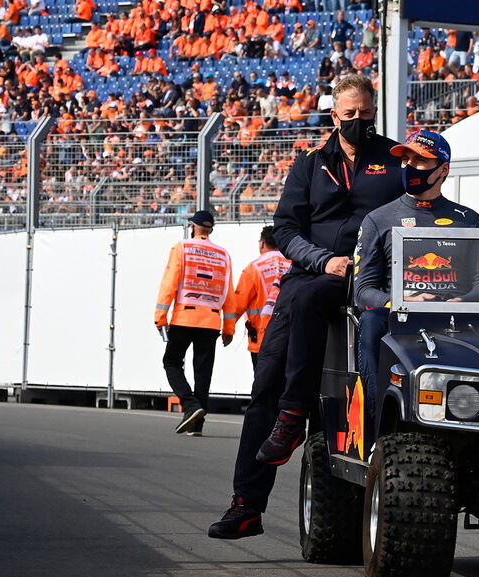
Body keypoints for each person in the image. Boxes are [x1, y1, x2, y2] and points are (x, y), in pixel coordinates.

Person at [208, 73, 402, 540]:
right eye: (350, 114)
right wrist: (322, 260)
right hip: (310, 277)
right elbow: (286, 230)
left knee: (316, 311)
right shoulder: (310, 164)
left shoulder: (396, 160)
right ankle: (246, 504)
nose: (359, 121)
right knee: (265, 384)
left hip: (370, 280)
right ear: (334, 115)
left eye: (366, 114)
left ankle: (297, 414)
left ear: (375, 112)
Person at [354, 129, 479, 418]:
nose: (409, 166)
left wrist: (461, 302)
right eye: (406, 159)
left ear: (443, 170)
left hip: (455, 316)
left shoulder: (468, 219)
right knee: (369, 321)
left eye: (420, 160)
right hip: (400, 317)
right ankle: (376, 422)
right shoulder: (377, 219)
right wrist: (403, 301)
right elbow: (362, 291)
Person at [154, 210, 237, 436]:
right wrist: (229, 328)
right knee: (203, 373)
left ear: (193, 227)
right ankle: (196, 425)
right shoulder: (223, 254)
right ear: (211, 230)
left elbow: (169, 284)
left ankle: (190, 405)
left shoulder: (182, 248)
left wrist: (160, 317)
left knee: (171, 362)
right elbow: (228, 294)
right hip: (211, 321)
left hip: (184, 317)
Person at [231, 225, 291, 369]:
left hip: (261, 337)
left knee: (263, 379)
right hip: (290, 336)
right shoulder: (292, 264)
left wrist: (228, 329)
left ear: (262, 243)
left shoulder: (253, 268)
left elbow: (237, 305)